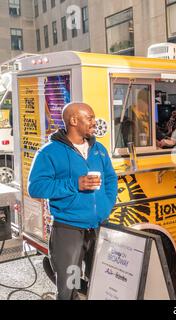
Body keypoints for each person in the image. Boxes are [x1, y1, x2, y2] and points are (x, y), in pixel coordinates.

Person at [28, 102, 118, 300]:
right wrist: (74, 184)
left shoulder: (98, 148)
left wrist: (107, 204)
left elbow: (111, 178)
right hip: (68, 230)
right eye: (90, 118)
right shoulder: (49, 152)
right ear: (74, 121)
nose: (95, 122)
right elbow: (36, 188)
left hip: (100, 227)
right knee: (71, 286)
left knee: (101, 281)